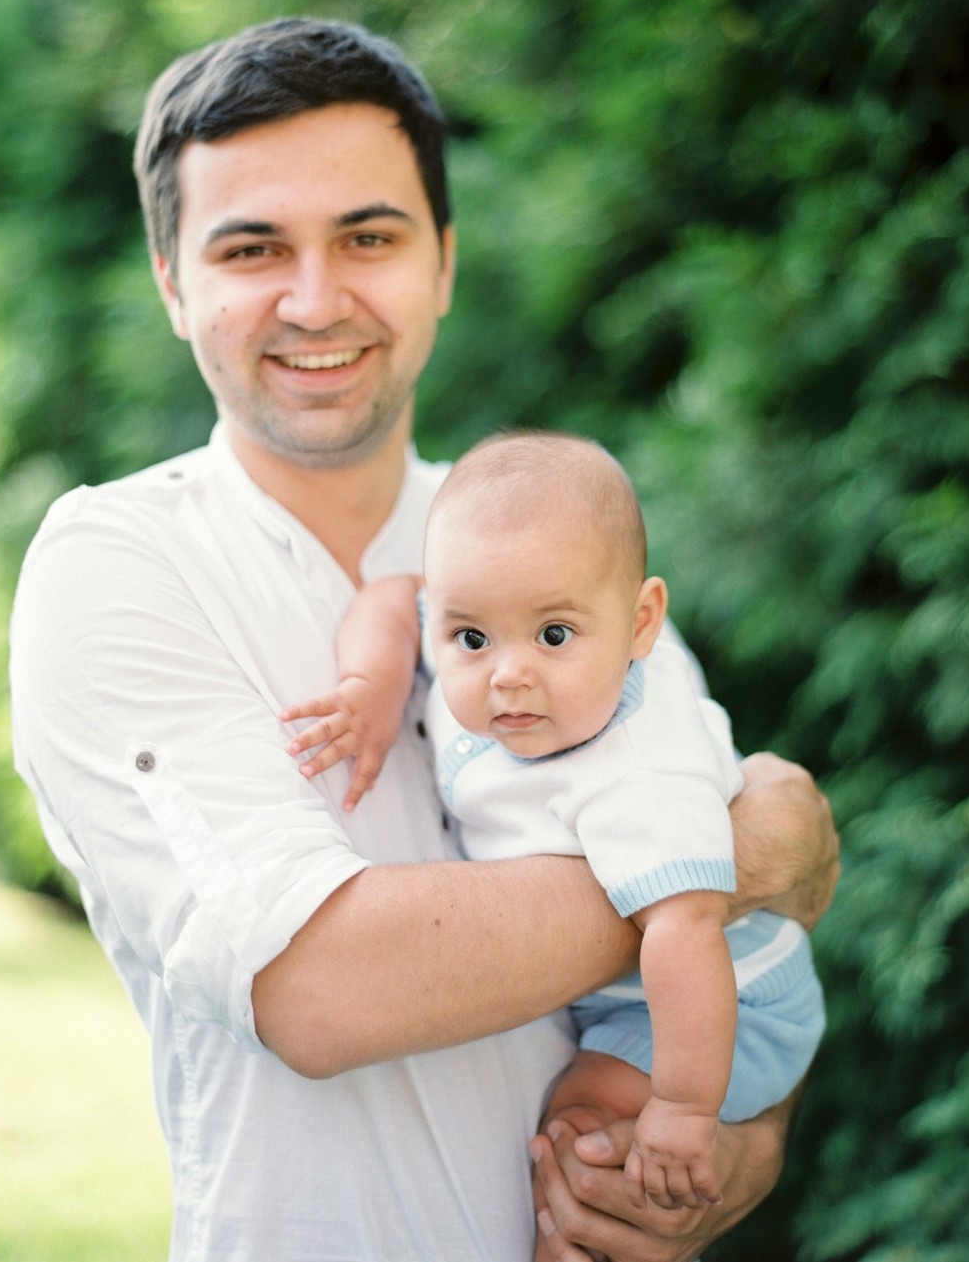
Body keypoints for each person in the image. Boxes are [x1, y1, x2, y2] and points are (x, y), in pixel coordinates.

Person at [8, 17, 839, 1262]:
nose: (314, 297)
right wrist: (726, 853)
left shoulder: (552, 538)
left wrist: (733, 1158)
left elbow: (748, 1002)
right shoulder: (119, 564)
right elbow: (319, 987)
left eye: (369, 235)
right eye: (250, 248)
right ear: (174, 283)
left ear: (442, 262)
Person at [282, 429, 826, 1254]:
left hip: (724, 1002)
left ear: (642, 622)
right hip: (635, 988)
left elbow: (685, 933)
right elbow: (397, 600)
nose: (507, 674)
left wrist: (683, 1111)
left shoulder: (641, 771)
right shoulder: (490, 617)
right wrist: (372, 685)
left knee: (583, 1135)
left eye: (554, 636)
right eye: (472, 639)